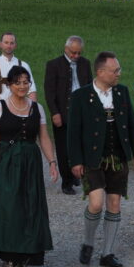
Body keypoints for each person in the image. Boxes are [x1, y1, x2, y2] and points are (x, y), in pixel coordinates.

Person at [68, 51, 134, 267]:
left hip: (117, 156)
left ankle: (107, 253)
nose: (119, 74)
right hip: (92, 158)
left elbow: (131, 124)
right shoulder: (81, 96)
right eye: (115, 70)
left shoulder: (121, 92)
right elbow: (73, 132)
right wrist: (75, 161)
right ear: (101, 72)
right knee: (96, 203)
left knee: (114, 203)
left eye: (118, 70)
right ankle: (89, 242)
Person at [0, 65, 57, 267]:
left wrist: (52, 162)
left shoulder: (37, 108)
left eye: (26, 82)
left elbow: (43, 137)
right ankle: (9, 256)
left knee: (31, 206)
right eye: (18, 82)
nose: (22, 86)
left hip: (31, 163)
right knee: (9, 207)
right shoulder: (0, 107)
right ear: (10, 84)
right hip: (7, 162)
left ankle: (25, 255)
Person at [44, 35, 93, 195]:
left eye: (78, 53)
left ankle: (80, 174)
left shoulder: (85, 64)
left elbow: (91, 87)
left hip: (82, 111)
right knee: (64, 147)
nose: (76, 56)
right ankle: (67, 181)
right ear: (66, 49)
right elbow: (49, 92)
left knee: (81, 145)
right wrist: (55, 113)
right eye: (73, 53)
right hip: (63, 112)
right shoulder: (54, 65)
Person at [0, 32, 37, 126]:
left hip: (20, 111)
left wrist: (34, 114)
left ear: (15, 45)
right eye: (6, 42)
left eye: (11, 43)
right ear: (1, 44)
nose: (9, 46)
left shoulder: (24, 65)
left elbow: (32, 91)